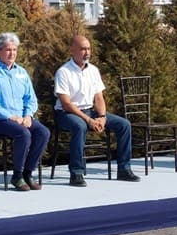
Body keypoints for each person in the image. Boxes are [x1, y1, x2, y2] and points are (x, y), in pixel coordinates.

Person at [54, 35, 140, 187]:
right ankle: (76, 173)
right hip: (67, 114)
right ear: (72, 50)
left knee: (124, 124)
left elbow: (99, 98)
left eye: (88, 49)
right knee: (79, 126)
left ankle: (124, 169)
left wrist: (102, 117)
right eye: (82, 49)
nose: (86, 52)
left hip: (90, 111)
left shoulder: (93, 70)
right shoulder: (63, 72)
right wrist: (89, 121)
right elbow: (66, 103)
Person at [0, 32, 50, 191]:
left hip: (21, 119)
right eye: (8, 50)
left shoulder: (22, 72)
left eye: (14, 49)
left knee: (43, 132)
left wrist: (28, 115)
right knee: (23, 134)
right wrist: (11, 117)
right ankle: (17, 176)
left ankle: (27, 173)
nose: (12, 53)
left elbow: (30, 99)